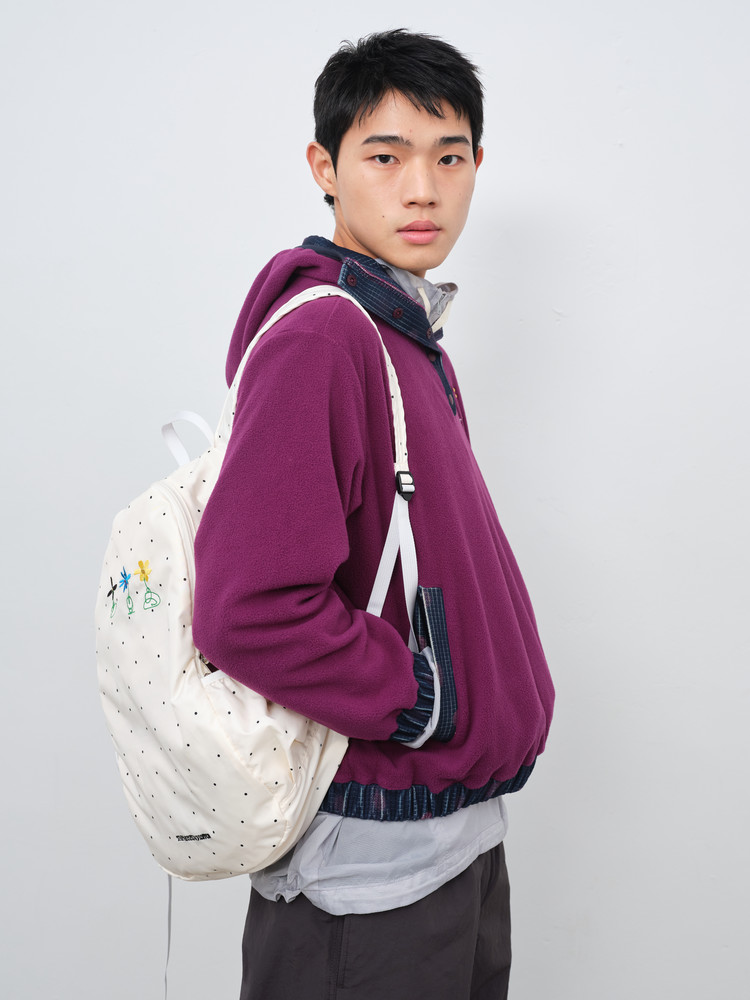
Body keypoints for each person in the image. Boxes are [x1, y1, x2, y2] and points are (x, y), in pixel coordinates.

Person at [193, 29, 554, 1000]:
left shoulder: (403, 332)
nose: (422, 190)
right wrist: (423, 700)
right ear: (326, 168)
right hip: (365, 872)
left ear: (478, 164)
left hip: (449, 834)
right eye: (385, 158)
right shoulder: (325, 337)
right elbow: (249, 610)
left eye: (449, 158)